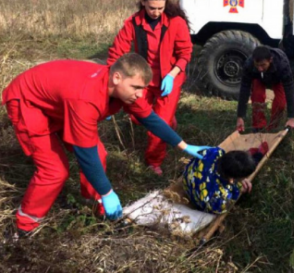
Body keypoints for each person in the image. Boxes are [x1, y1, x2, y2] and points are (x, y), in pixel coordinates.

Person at [2, 53, 211, 237]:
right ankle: (23, 226)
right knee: (54, 170)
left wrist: (183, 145)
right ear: (117, 77)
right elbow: (85, 154)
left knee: (99, 154)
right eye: (137, 88)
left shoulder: (126, 88)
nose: (140, 94)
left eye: (143, 89)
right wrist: (108, 192)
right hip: (29, 102)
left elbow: (151, 119)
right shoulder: (86, 98)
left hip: (58, 101)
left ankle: (92, 202)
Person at [107, 0, 193, 176]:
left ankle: (153, 161)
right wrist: (108, 85)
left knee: (157, 126)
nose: (156, 12)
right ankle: (169, 122)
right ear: (143, 3)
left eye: (160, 8)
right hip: (143, 80)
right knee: (137, 115)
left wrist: (172, 75)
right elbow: (116, 52)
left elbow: (185, 53)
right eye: (152, 8)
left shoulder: (176, 23)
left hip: (169, 79)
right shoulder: (133, 23)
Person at [182, 145, 267, 214]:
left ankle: (256, 156)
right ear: (232, 178)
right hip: (195, 196)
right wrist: (237, 188)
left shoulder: (216, 152)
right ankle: (258, 156)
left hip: (188, 178)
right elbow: (221, 208)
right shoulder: (220, 197)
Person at [236, 46, 294, 132]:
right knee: (257, 96)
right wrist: (240, 117)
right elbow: (244, 89)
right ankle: (258, 126)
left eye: (263, 65)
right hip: (257, 77)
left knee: (281, 103)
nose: (260, 68)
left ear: (270, 60)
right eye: (257, 65)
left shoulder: (282, 64)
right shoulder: (249, 65)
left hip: (277, 77)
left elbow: (289, 88)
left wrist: (291, 117)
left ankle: (272, 126)